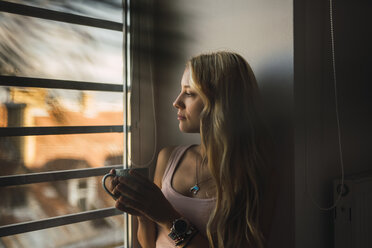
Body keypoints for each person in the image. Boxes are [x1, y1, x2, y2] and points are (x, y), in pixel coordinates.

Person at [106, 51, 276, 247]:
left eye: (189, 93)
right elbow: (150, 244)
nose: (176, 102)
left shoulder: (254, 175)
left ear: (220, 102)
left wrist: (167, 217)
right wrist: (143, 212)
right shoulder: (168, 158)